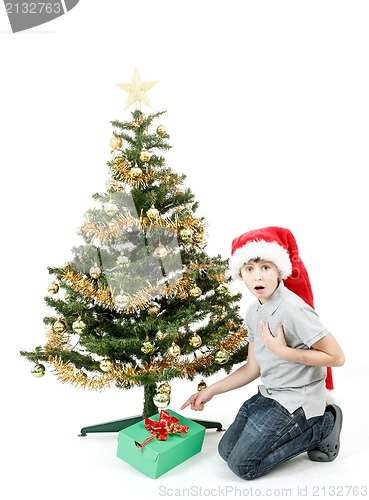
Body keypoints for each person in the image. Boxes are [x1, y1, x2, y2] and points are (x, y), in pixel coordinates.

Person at [181, 226, 345, 480]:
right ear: (241, 274)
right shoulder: (254, 311)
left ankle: (323, 425)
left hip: (297, 401)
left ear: (279, 270)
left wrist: (284, 351)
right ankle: (292, 429)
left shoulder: (293, 310)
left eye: (265, 268)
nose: (258, 277)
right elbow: (252, 368)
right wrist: (210, 390)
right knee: (226, 451)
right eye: (249, 269)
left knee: (243, 467)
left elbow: (337, 357)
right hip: (270, 395)